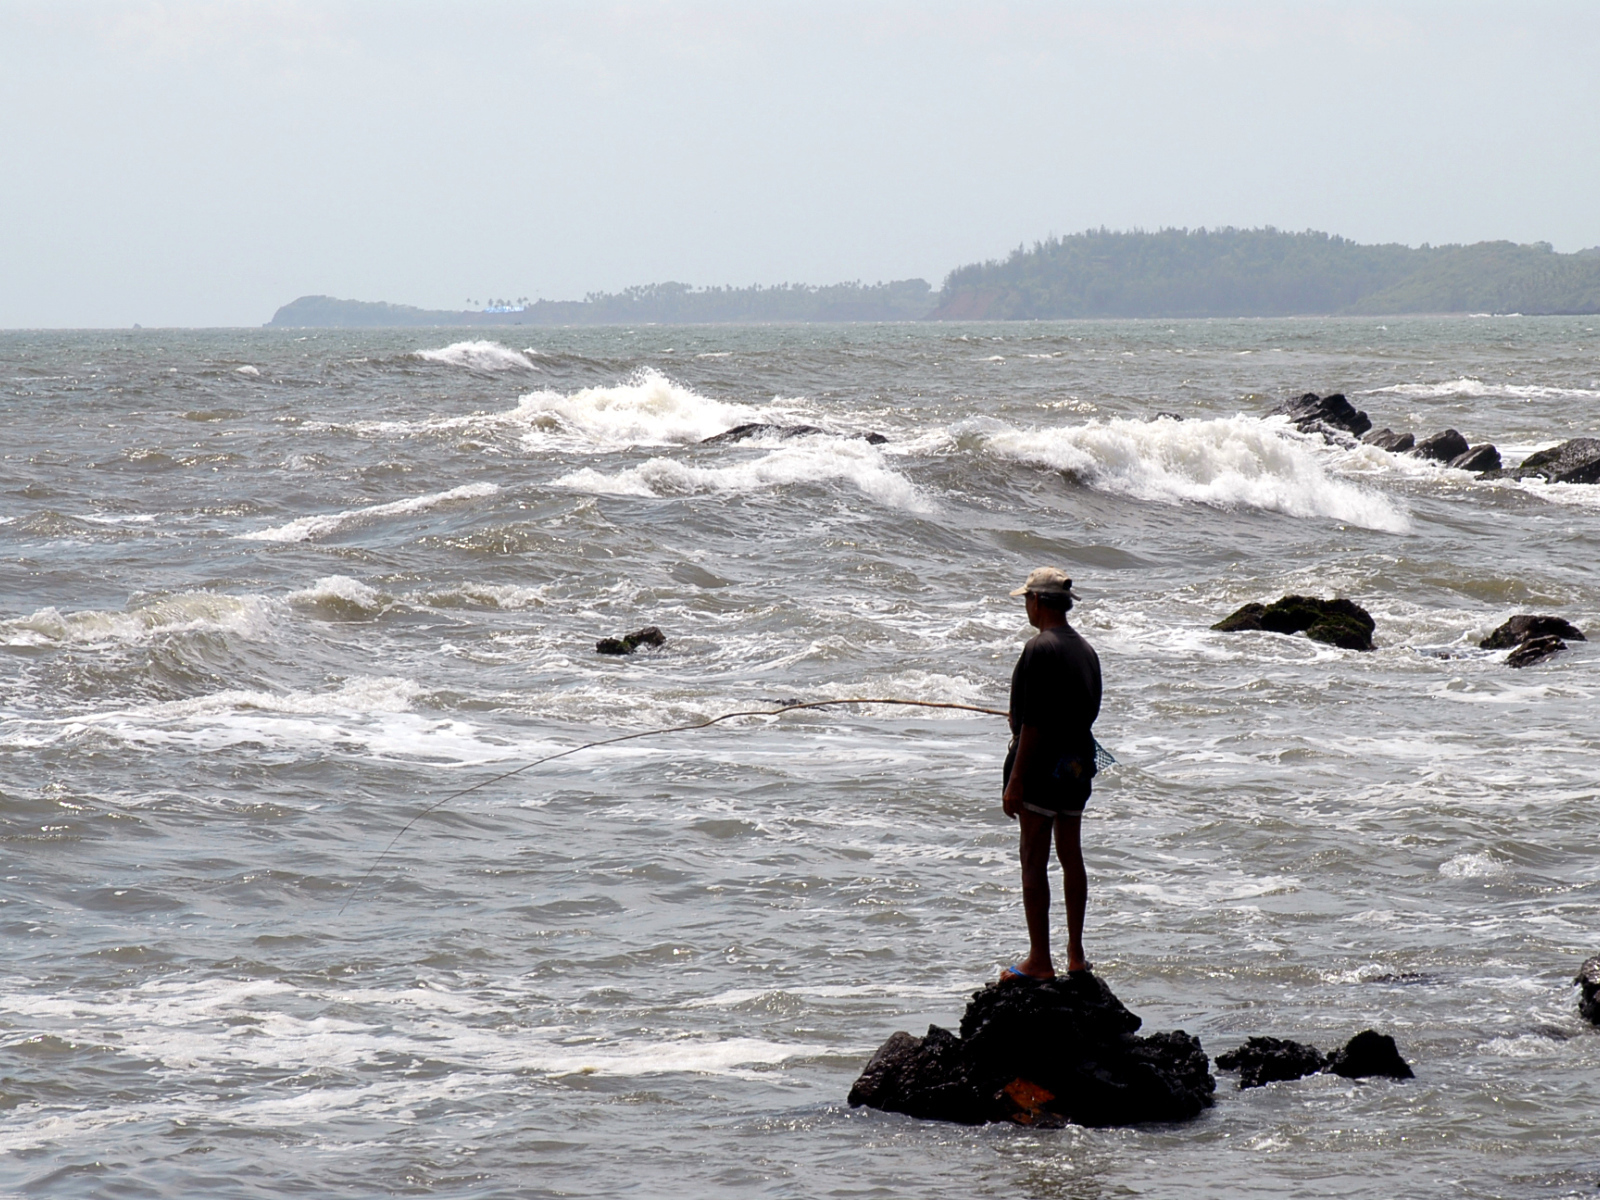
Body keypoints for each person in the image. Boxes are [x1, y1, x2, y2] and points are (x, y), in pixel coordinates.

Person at [1001, 567, 1102, 980]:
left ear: (1038, 602)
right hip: (1079, 764)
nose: (1026, 606)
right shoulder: (1087, 651)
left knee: (1033, 859)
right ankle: (1076, 957)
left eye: (1027, 599)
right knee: (1071, 856)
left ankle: (1039, 960)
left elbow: (1033, 723)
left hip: (1042, 767)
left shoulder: (1038, 648)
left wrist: (1017, 780)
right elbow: (1085, 711)